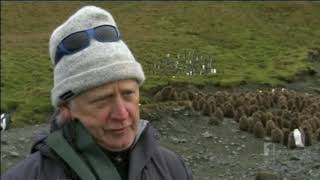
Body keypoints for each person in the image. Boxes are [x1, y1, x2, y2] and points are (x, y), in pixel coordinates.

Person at [2, 5, 193, 180]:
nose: (122, 114)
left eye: (128, 94)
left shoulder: (173, 168)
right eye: (102, 100)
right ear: (66, 107)